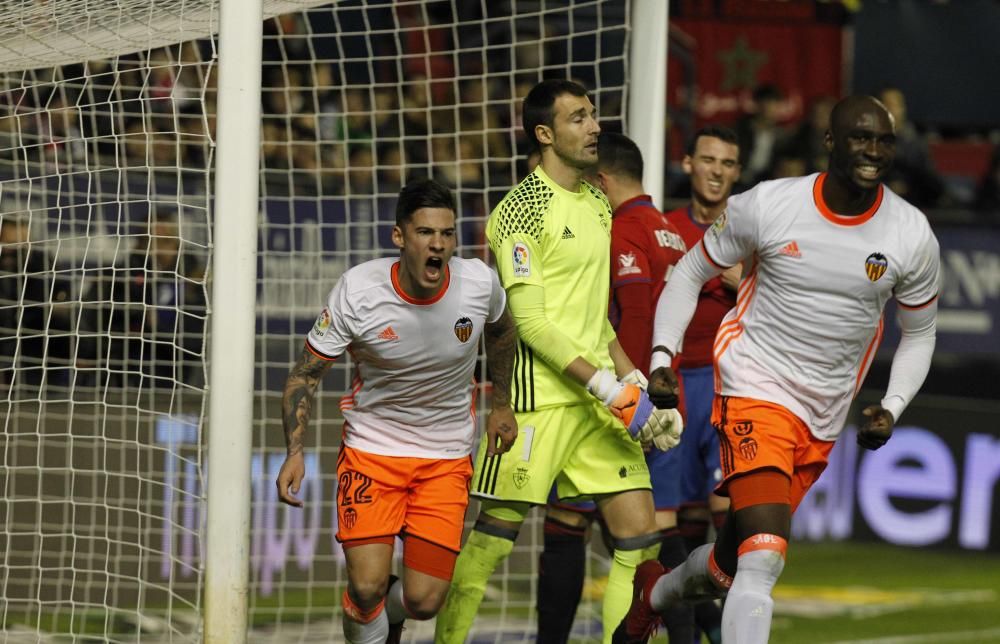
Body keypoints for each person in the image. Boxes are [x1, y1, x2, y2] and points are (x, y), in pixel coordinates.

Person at [614, 95, 941, 644]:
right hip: (754, 388)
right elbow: (692, 271)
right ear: (830, 142)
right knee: (764, 560)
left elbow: (921, 332)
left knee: (729, 567)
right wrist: (663, 355)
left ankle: (655, 592)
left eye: (884, 141)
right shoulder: (770, 205)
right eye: (861, 137)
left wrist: (893, 404)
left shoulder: (910, 234)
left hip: (822, 416)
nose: (874, 151)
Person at [434, 80, 682, 644]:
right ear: (545, 134)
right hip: (537, 404)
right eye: (578, 118)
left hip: (599, 402)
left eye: (592, 115)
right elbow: (532, 323)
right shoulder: (519, 211)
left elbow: (596, 318)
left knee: (642, 544)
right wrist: (608, 387)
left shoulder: (597, 201)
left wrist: (632, 378)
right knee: (491, 542)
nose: (594, 126)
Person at [274, 178, 519, 644]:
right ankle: (369, 620)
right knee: (366, 587)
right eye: (426, 233)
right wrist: (294, 451)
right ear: (399, 237)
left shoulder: (478, 283)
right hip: (373, 450)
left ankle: (380, 622)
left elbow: (503, 331)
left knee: (425, 601)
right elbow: (304, 376)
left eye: (447, 234)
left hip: (446, 456)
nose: (439, 245)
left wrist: (501, 404)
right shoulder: (359, 291)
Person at [534, 131, 693, 644]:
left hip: (619, 404)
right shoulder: (668, 228)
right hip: (663, 399)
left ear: (600, 181)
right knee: (652, 539)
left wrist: (626, 394)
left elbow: (633, 321)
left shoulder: (620, 228)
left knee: (568, 526)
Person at [663, 125, 743, 644]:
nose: (716, 171)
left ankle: (727, 626)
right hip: (674, 386)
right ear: (689, 163)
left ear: (737, 172)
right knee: (668, 515)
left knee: (728, 514)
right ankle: (690, 629)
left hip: (730, 384)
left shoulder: (750, 232)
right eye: (708, 160)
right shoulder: (663, 229)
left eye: (727, 163)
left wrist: (744, 276)